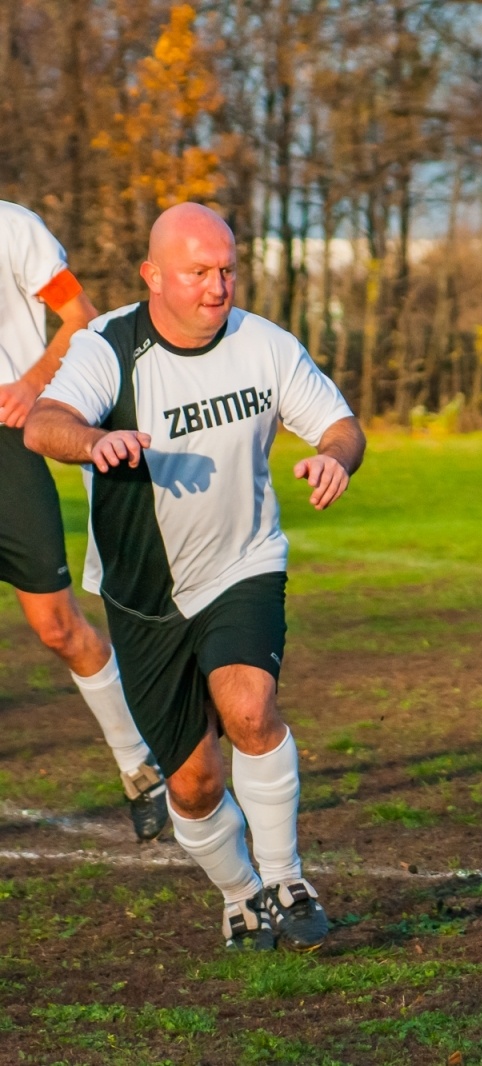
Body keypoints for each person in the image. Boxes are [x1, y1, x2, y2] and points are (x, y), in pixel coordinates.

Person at [25, 203, 365, 952]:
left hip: (243, 564)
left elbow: (341, 424)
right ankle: (242, 894)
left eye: (227, 270)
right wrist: (95, 440)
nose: (218, 287)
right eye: (199, 272)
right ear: (153, 276)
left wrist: (333, 458)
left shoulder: (262, 343)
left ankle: (284, 877)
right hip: (143, 602)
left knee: (249, 710)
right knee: (194, 784)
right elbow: (42, 423)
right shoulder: (107, 347)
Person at [0, 199, 167, 841]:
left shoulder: (14, 229)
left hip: (6, 453)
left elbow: (80, 319)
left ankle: (140, 766)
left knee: (57, 627)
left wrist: (32, 384)